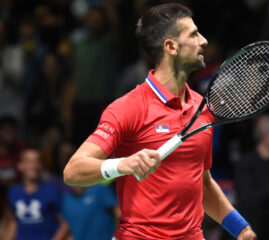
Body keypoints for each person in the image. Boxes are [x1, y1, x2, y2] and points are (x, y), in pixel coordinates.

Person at [63, 3, 256, 240]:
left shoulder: (203, 109)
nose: (204, 41)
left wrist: (242, 229)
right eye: (194, 34)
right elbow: (73, 170)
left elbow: (202, 184)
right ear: (171, 46)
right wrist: (124, 164)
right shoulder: (129, 108)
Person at [4, 148, 68, 240]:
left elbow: (64, 223)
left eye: (37, 161)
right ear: (20, 165)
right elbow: (13, 221)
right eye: (29, 161)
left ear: (41, 165)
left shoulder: (51, 190)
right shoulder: (13, 192)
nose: (33, 165)